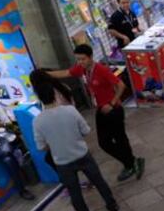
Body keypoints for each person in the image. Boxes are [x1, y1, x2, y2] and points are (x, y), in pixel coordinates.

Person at [47, 44, 144, 182]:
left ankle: (130, 164)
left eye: (83, 59)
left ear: (91, 57)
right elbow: (66, 73)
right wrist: (44, 74)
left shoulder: (101, 70)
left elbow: (121, 85)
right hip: (100, 109)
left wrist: (112, 103)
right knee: (104, 143)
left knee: (120, 139)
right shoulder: (82, 69)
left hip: (113, 110)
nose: (80, 62)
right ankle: (132, 161)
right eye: (78, 59)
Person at [32, 81, 118, 211]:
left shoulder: (37, 121)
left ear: (39, 98)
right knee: (98, 181)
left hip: (62, 162)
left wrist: (56, 143)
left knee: (74, 192)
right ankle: (112, 205)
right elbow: (86, 131)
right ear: (54, 95)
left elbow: (41, 147)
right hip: (82, 154)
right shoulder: (70, 111)